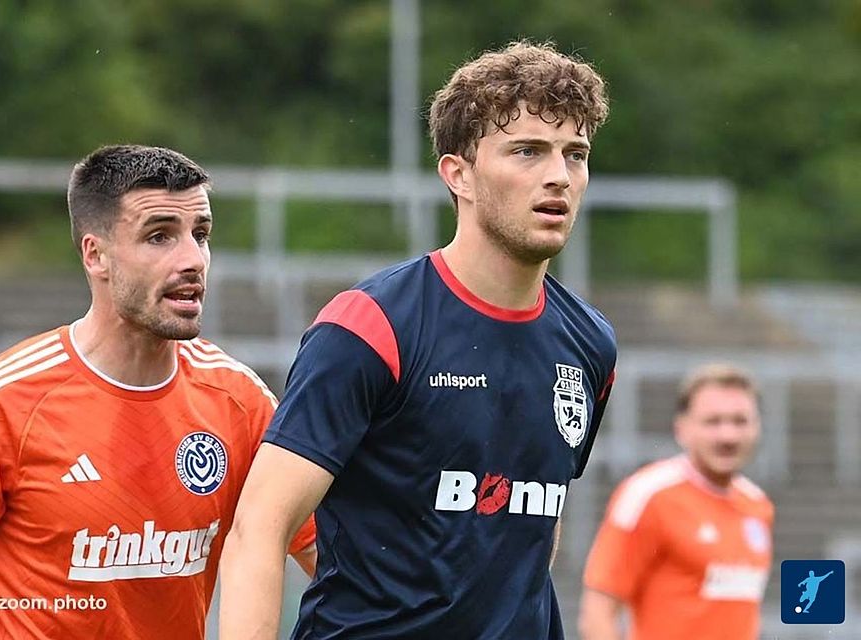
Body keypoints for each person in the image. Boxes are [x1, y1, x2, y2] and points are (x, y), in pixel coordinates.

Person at [219, 40, 616, 639]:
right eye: (528, 151)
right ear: (459, 175)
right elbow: (259, 529)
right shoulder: (371, 326)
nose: (558, 176)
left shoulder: (590, 342)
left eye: (575, 154)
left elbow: (534, 518)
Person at [0, 145, 315, 640]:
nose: (193, 260)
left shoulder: (241, 400)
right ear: (95, 255)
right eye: (160, 236)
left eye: (200, 234)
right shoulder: (1, 401)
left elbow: (325, 558)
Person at [579, 363, 774, 640]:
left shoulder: (758, 506)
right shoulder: (648, 495)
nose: (727, 435)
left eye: (739, 421)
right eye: (713, 421)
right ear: (681, 428)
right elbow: (598, 612)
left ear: (757, 427)